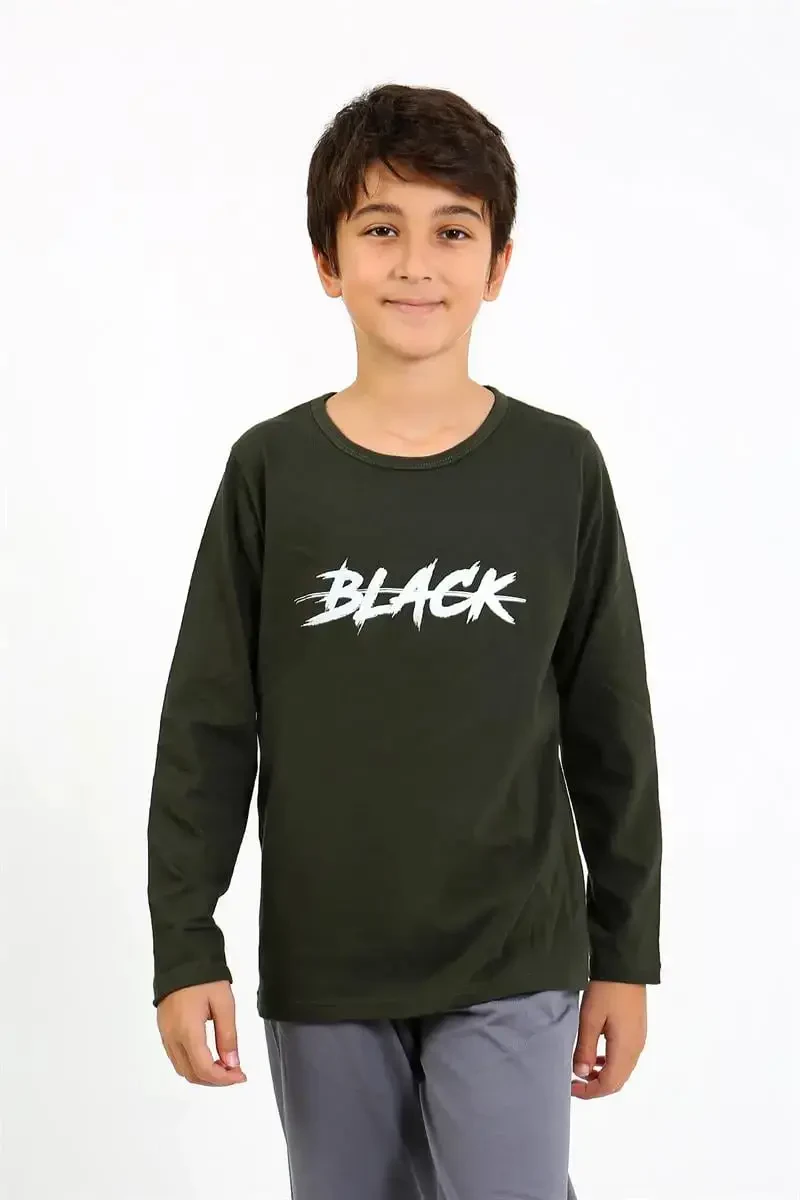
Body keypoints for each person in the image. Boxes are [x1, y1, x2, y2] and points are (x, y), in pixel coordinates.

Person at [147, 82, 662, 1200]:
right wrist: (185, 946)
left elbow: (610, 725)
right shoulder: (272, 473)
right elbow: (207, 726)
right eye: (381, 230)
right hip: (326, 963)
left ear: (499, 263)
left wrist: (626, 954)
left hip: (514, 954)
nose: (416, 264)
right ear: (327, 261)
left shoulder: (557, 467)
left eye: (452, 232)